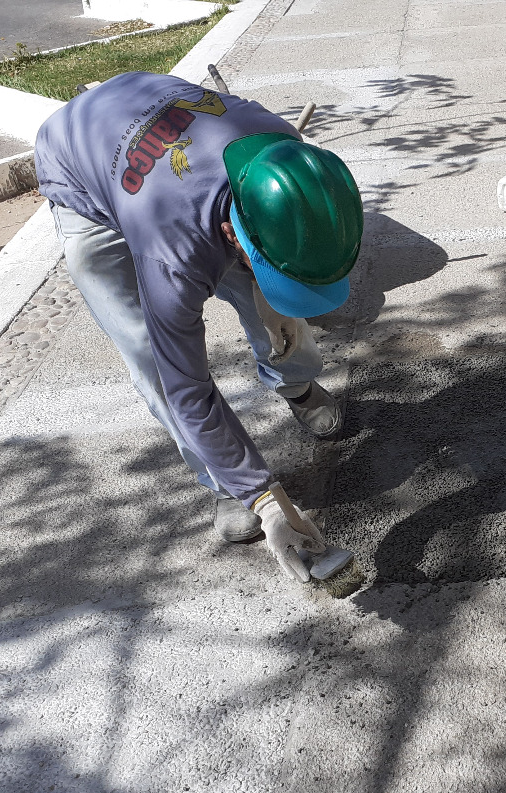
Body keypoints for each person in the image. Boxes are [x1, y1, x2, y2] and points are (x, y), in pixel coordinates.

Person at [34, 71, 363, 579]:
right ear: (231, 233)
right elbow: (187, 388)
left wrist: (270, 297)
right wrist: (265, 499)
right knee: (149, 351)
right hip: (82, 172)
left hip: (146, 113)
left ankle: (295, 385)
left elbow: (289, 241)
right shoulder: (173, 255)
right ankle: (225, 484)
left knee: (275, 302)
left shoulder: (284, 150)